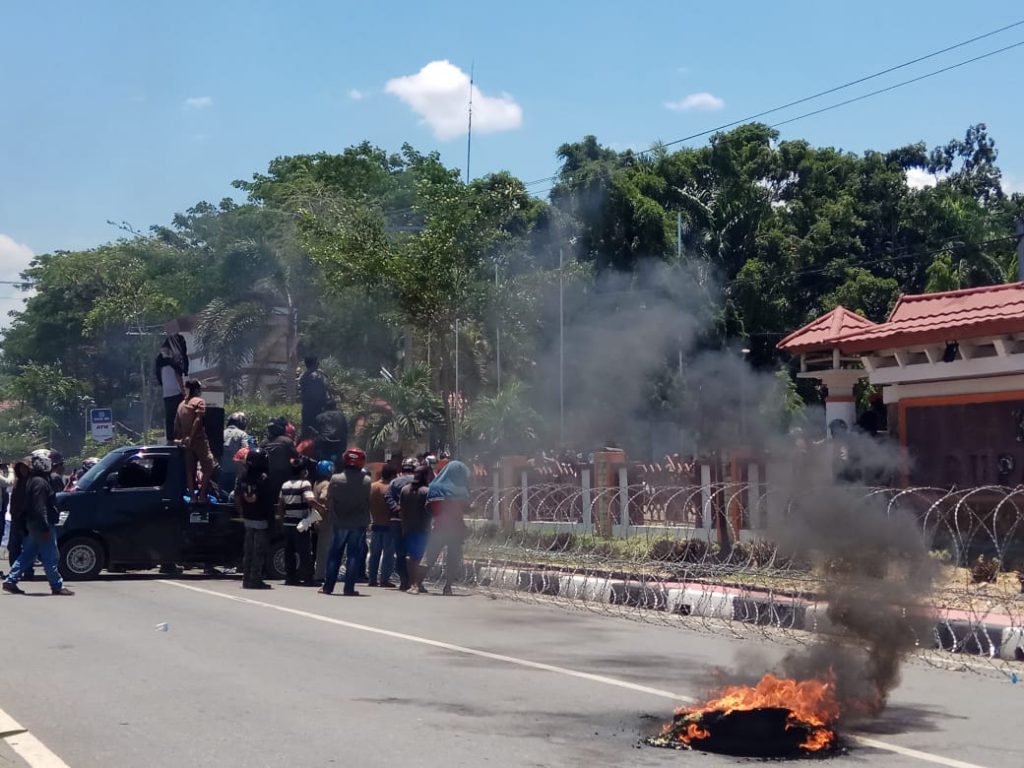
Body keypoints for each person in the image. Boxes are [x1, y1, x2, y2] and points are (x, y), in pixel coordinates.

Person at [3, 450, 74, 595]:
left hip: (34, 524)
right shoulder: (40, 483)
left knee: (29, 553)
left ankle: (11, 580)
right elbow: (39, 507)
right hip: (41, 525)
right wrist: (45, 527)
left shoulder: (33, 481)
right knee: (51, 556)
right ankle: (57, 585)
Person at [321, 448, 371, 596]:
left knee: (334, 554)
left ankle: (328, 587)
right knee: (354, 555)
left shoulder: (335, 479)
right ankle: (349, 588)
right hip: (358, 523)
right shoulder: (366, 480)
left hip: (339, 522)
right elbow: (367, 502)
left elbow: (328, 499)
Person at [423, 460, 471, 596]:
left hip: (439, 527)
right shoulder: (460, 490)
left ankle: (416, 583)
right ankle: (447, 587)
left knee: (429, 557)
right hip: (456, 529)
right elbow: (465, 508)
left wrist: (439, 515)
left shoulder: (434, 486)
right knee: (453, 559)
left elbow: (428, 507)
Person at [236, 448, 274, 589]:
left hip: (248, 519)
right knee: (258, 552)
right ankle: (255, 579)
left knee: (248, 551)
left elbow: (238, 496)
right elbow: (268, 500)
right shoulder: (264, 478)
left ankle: (246, 579)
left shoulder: (243, 476)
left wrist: (242, 512)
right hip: (261, 520)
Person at [278, 457, 318, 586]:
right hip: (300, 524)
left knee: (289, 552)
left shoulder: (285, 485)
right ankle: (307, 578)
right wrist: (321, 508)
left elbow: (281, 504)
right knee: (304, 552)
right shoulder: (305, 484)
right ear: (303, 471)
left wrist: (282, 519)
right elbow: (310, 500)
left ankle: (290, 577)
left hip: (287, 523)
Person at [175, 379, 215, 503]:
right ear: (197, 390)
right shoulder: (199, 402)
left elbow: (176, 425)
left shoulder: (181, 405)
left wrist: (181, 439)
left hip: (186, 443)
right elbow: (198, 420)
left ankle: (192, 497)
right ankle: (202, 495)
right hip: (198, 440)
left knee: (190, 470)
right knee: (210, 466)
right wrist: (191, 437)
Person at [400, 463, 434, 594]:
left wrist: (403, 526)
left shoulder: (405, 490)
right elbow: (430, 510)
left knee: (411, 556)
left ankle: (411, 582)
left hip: (408, 527)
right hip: (423, 529)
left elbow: (401, 510)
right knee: (419, 557)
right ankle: (415, 584)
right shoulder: (426, 491)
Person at [386, 458, 417, 590]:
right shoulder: (418, 481)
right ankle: (414, 581)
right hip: (414, 521)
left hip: (396, 521)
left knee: (400, 552)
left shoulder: (394, 482)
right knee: (414, 552)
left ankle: (404, 580)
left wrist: (396, 508)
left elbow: (387, 497)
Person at [155, 334, 189, 444]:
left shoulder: (160, 361)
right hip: (176, 392)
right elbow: (178, 375)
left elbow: (159, 377)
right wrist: (184, 392)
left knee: (170, 418)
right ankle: (179, 439)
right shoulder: (174, 359)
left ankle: (170, 439)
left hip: (167, 393)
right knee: (180, 417)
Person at [368, 464, 397, 587]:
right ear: (392, 475)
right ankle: (384, 579)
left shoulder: (372, 487)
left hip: (375, 524)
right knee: (388, 554)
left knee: (374, 554)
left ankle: (372, 578)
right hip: (388, 525)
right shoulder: (389, 488)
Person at [312, 459, 335, 584]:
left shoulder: (316, 483)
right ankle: (320, 575)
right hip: (325, 519)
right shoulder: (326, 484)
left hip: (317, 518)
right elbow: (323, 497)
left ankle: (319, 573)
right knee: (324, 550)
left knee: (321, 548)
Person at [221, 412, 251, 495]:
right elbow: (245, 451)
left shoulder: (221, 433)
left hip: (222, 471)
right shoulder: (242, 434)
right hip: (236, 472)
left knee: (222, 495)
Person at [298, 357, 329, 436]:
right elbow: (320, 394)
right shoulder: (318, 376)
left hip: (306, 410)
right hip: (318, 410)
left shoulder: (304, 376)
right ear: (315, 364)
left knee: (306, 431)